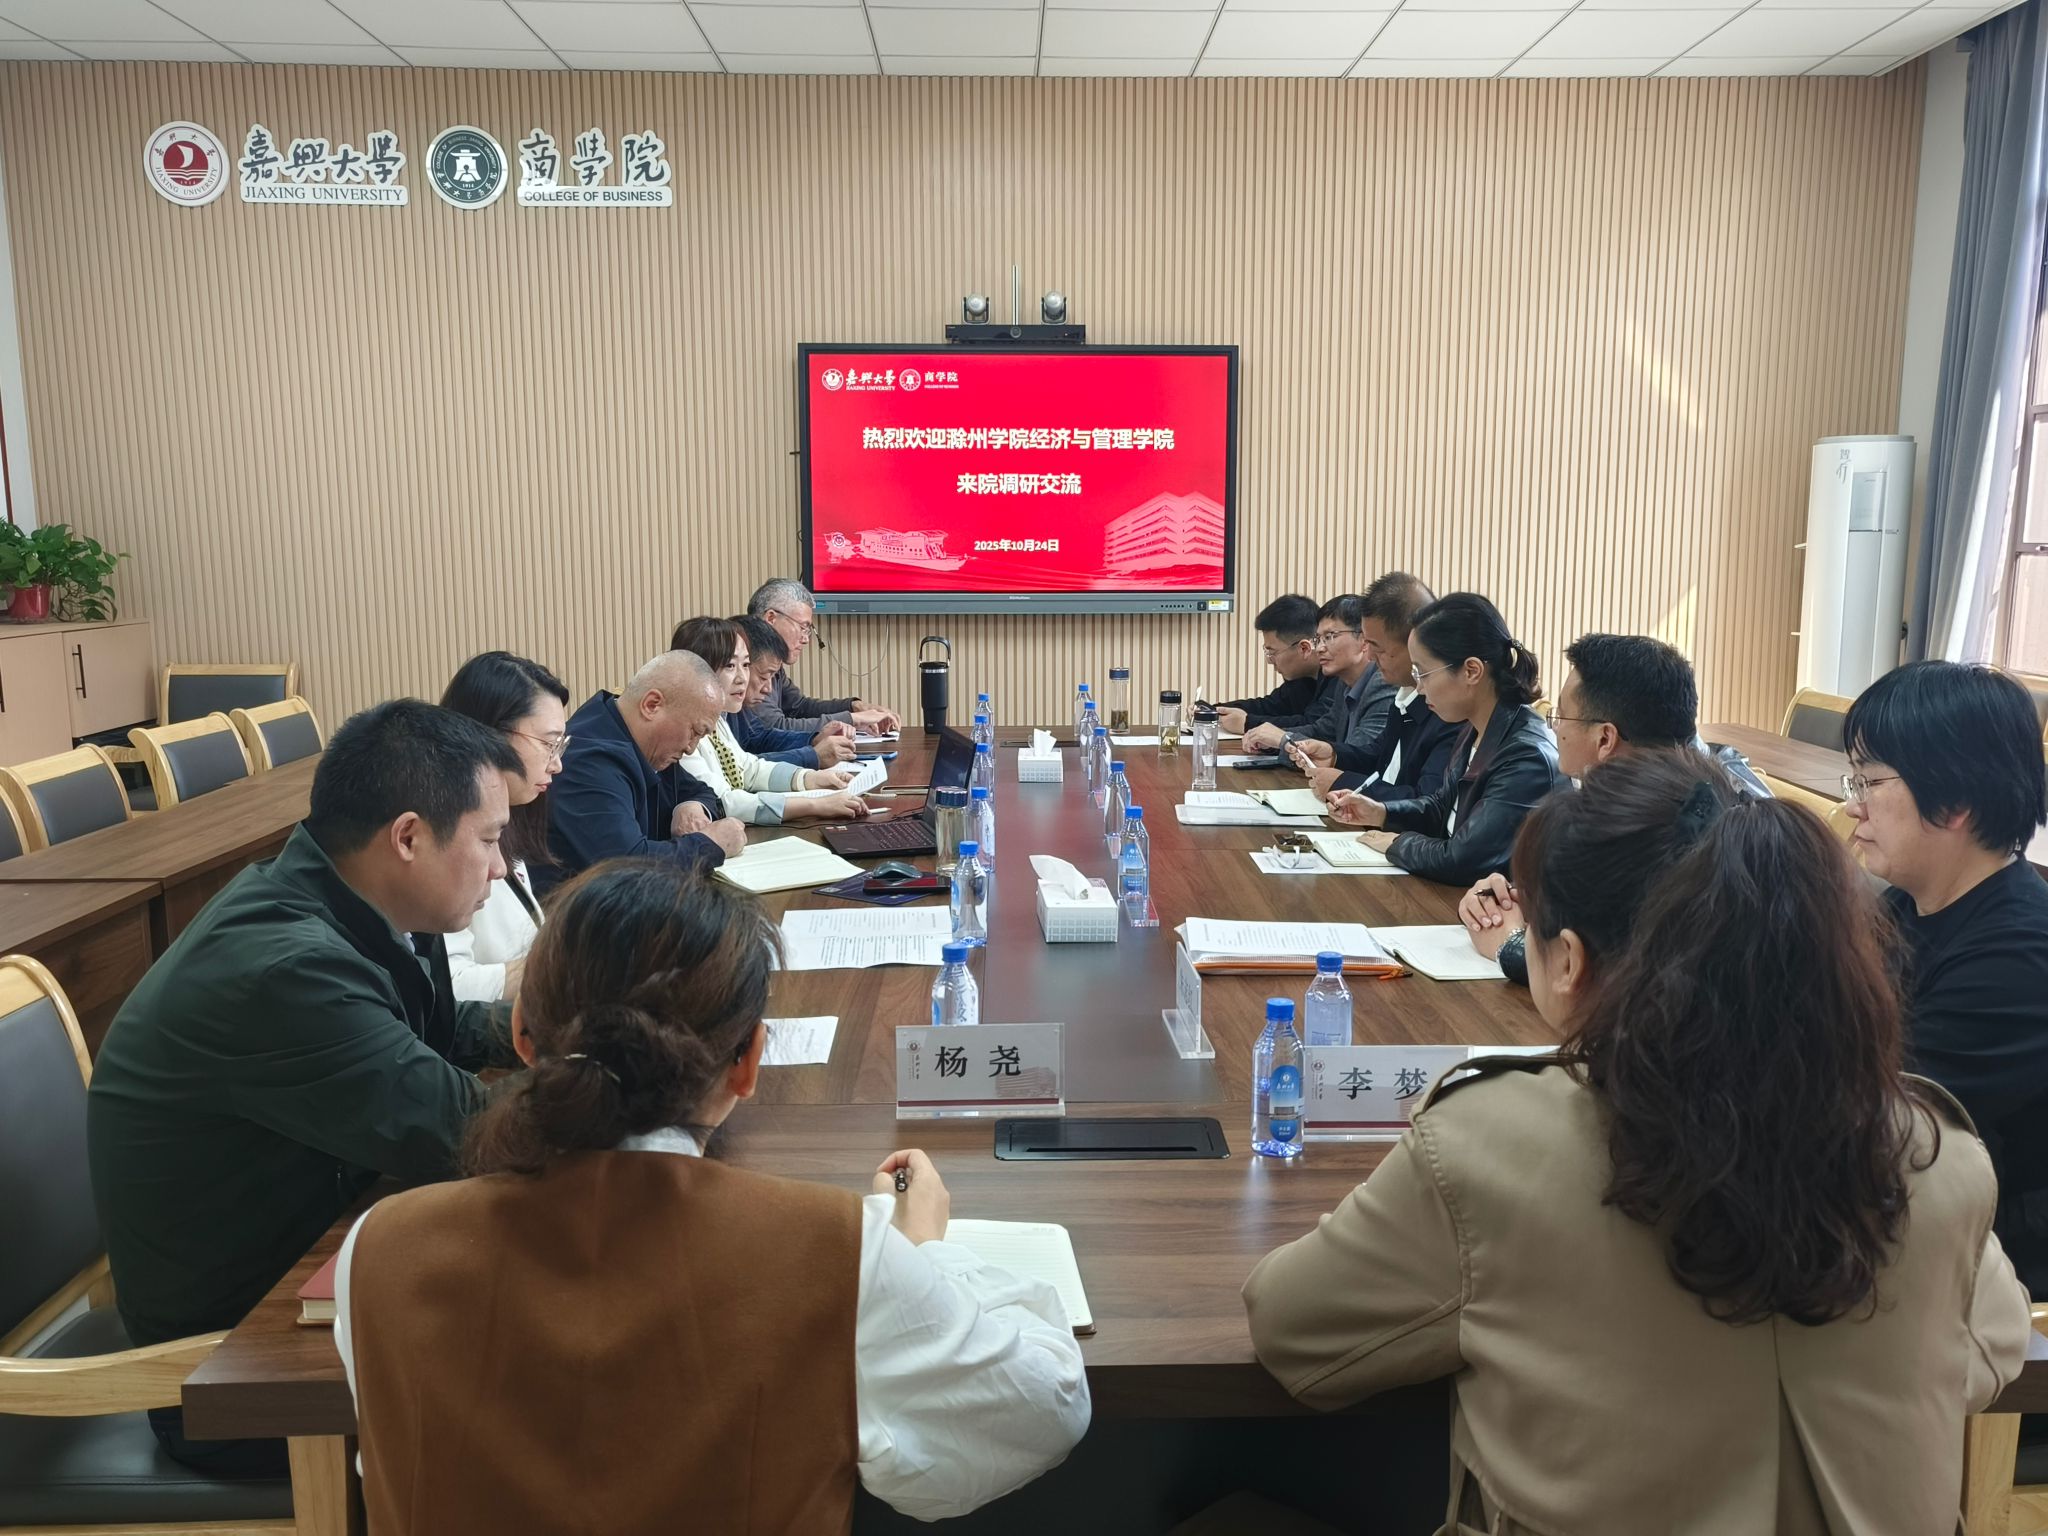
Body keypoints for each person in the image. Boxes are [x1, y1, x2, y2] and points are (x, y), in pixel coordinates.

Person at [1244, 751, 2032, 1534]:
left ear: (1568, 959)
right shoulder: (1931, 1149)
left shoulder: (1488, 1143)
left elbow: (1295, 1331)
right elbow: (1994, 1347)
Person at [333, 861, 1091, 1530]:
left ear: (524, 1036)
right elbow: (1046, 1407)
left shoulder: (380, 1249)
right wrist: (923, 1253)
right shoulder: (831, 1250)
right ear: (749, 1062)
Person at [85, 701, 526, 1473]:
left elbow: (433, 1033)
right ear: (409, 838)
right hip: (238, 1368)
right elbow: (470, 1132)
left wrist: (550, 1024)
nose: (500, 867)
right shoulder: (285, 966)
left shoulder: (361, 900)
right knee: (549, 1385)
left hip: (313, 1267)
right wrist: (637, 1074)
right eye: (489, 840)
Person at [1843, 659, 2048, 1296]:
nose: (1851, 805)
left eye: (1869, 780)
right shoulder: (1906, 906)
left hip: (1990, 1263)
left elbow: (1881, 1125)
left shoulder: (2019, 956)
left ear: (1955, 801)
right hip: (1902, 1212)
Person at [1459, 632, 1771, 982]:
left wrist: (1511, 945)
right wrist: (1512, 900)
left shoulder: (1680, 824)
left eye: (1562, 716)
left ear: (1605, 738)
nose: (1555, 729)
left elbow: (1624, 976)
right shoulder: (1690, 782)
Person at [1326, 593, 1559, 885]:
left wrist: (1396, 843)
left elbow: (1464, 858)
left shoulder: (1526, 755)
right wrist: (1381, 812)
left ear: (1471, 671)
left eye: (1423, 673)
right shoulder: (1474, 728)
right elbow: (1441, 808)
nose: (1419, 688)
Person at [538, 651, 746, 895]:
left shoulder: (648, 743)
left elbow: (701, 791)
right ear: (652, 705)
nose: (691, 748)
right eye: (694, 732)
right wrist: (711, 844)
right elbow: (628, 867)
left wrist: (690, 806)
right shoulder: (588, 760)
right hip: (576, 913)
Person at [439, 651, 570, 1002]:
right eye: (549, 744)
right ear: (492, 734)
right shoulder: (445, 830)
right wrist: (566, 965)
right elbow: (448, 986)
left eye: (561, 745)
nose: (557, 764)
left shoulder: (512, 812)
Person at [670, 616, 868, 824]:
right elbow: (723, 802)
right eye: (730, 665)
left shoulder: (718, 718)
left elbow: (749, 769)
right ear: (696, 670)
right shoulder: (681, 732)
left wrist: (809, 779)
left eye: (746, 665)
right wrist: (815, 805)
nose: (742, 678)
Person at [1285, 573, 1458, 806]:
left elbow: (1427, 802)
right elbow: (1378, 755)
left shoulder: (1449, 710)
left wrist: (1344, 782)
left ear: (1415, 642)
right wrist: (1334, 754)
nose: (1370, 657)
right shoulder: (1405, 695)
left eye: (1377, 647)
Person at [1241, 594, 1394, 759]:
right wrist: (1271, 739)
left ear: (1364, 640)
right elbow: (1322, 731)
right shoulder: (1345, 682)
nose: (1320, 648)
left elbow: (1359, 755)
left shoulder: (1384, 684)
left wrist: (1284, 740)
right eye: (1318, 639)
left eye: (1329, 637)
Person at [744, 577, 899, 735]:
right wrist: (851, 719)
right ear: (771, 618)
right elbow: (774, 728)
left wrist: (853, 706)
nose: (806, 639)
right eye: (803, 627)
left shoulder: (772, 661)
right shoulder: (744, 660)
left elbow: (799, 707)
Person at [730, 612, 857, 768]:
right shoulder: (723, 708)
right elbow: (738, 769)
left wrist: (814, 739)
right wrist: (813, 756)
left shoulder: (738, 707)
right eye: (802, 627)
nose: (768, 689)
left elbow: (759, 738)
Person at [1215, 594, 1326, 734]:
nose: (1269, 660)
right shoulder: (1301, 678)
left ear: (1304, 648)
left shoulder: (1338, 677)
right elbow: (1270, 706)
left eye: (1272, 652)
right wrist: (1213, 710)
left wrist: (1248, 723)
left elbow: (1314, 725)